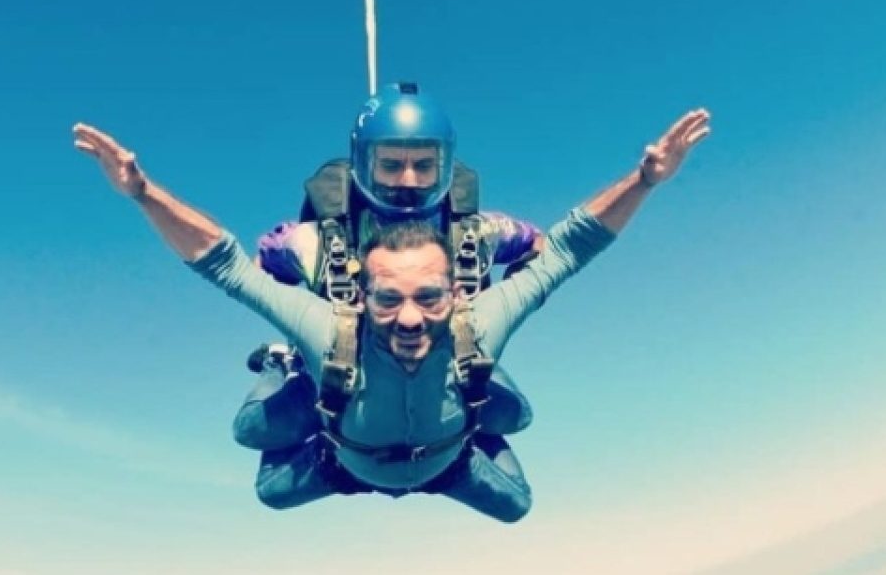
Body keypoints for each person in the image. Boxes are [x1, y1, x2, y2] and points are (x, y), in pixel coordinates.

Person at [71, 106, 712, 522]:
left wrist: (644, 181)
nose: (409, 318)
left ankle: (458, 429)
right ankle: (287, 371)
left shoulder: (480, 317)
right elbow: (226, 264)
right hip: (343, 455)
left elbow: (569, 248)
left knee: (517, 483)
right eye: (388, 299)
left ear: (456, 294)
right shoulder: (330, 329)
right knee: (264, 472)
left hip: (446, 458)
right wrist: (144, 193)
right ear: (360, 298)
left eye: (429, 298)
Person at [236, 82, 544, 454]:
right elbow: (261, 270)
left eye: (424, 165)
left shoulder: (479, 234)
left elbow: (537, 246)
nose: (408, 181)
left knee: (512, 416)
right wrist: (301, 324)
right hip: (343, 365)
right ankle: (283, 364)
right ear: (364, 163)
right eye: (391, 165)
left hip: (440, 364)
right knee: (257, 430)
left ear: (444, 165)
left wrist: (500, 305)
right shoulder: (311, 242)